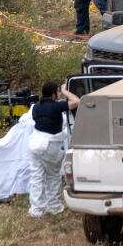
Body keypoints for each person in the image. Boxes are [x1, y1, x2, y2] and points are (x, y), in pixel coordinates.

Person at [27, 81, 79, 218]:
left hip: (34, 144)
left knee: (36, 177)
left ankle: (37, 210)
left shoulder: (36, 107)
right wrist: (65, 91)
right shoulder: (57, 106)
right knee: (53, 175)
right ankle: (54, 206)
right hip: (50, 145)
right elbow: (77, 101)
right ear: (53, 94)